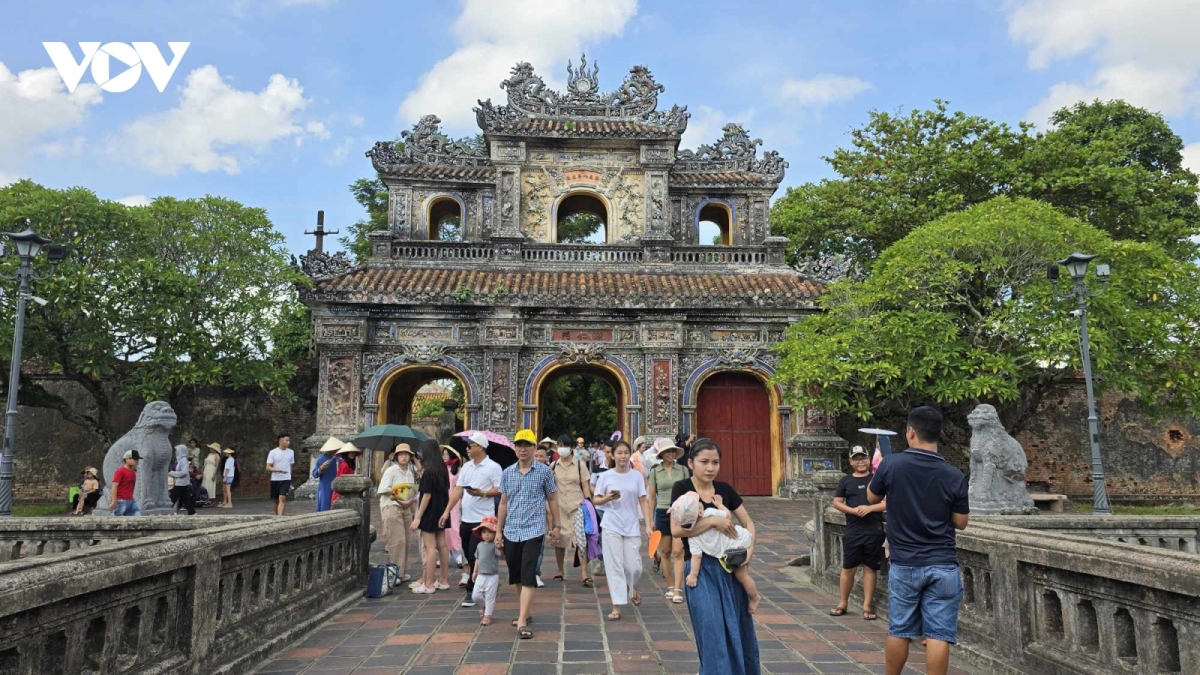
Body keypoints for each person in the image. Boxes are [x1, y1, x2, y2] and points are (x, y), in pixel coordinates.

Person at [867, 406, 969, 675]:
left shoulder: (892, 464)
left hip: (905, 562)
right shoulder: (954, 475)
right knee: (939, 634)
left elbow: (871, 498)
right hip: (943, 562)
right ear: (939, 434)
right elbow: (961, 522)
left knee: (899, 629)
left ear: (910, 432)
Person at [670, 438, 759, 674]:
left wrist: (747, 554)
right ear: (690, 463)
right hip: (699, 570)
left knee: (737, 626)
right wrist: (712, 522)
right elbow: (677, 530)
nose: (710, 468)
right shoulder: (682, 490)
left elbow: (748, 523)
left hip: (729, 567)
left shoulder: (725, 490)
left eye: (715, 462)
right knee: (710, 627)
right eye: (704, 462)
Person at [496, 429, 559, 639]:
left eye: (527, 445)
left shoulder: (544, 472)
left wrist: (556, 525)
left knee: (529, 573)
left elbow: (552, 498)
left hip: (533, 530)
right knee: (516, 575)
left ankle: (522, 620)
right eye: (519, 445)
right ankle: (527, 611)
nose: (522, 449)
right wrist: (498, 530)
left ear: (534, 448)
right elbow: (503, 503)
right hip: (511, 530)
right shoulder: (507, 473)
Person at [671, 490, 761, 613]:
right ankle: (754, 597)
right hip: (738, 542)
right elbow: (727, 515)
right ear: (700, 512)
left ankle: (755, 597)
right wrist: (720, 504)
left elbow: (696, 557)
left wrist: (693, 575)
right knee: (742, 577)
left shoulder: (692, 536)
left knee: (742, 576)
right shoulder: (709, 513)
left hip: (737, 544)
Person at [440, 431, 502, 608]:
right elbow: (458, 491)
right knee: (466, 552)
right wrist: (446, 512)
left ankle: (472, 589)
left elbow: (500, 489)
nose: (467, 449)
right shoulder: (466, 467)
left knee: (477, 554)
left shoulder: (493, 467)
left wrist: (482, 493)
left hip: (483, 520)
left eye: (470, 446)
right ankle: (481, 581)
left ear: (480, 447)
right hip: (466, 518)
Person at [592, 440, 652, 621]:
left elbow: (643, 500)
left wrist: (648, 524)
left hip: (631, 524)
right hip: (611, 524)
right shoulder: (606, 476)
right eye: (619, 453)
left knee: (633, 566)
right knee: (614, 566)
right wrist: (608, 498)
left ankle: (630, 586)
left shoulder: (636, 476)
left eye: (626, 452)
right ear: (612, 455)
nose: (623, 456)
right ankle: (616, 605)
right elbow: (596, 500)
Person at [831, 445, 887, 620]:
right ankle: (842, 602)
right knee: (848, 568)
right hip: (853, 530)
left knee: (870, 568)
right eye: (856, 458)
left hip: (874, 530)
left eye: (863, 457)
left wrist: (869, 508)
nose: (860, 461)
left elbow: (887, 502)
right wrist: (852, 510)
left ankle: (867, 606)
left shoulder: (876, 480)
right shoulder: (846, 481)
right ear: (851, 461)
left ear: (870, 459)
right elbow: (837, 502)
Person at [648, 440, 689, 602]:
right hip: (663, 511)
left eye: (673, 451)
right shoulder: (655, 471)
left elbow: (690, 490)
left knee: (679, 551)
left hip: (680, 511)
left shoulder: (683, 470)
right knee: (665, 551)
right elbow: (651, 497)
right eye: (668, 452)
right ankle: (670, 586)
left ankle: (678, 589)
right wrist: (650, 519)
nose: (671, 454)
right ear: (662, 454)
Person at [551, 433, 594, 587]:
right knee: (559, 540)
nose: (563, 449)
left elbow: (585, 487)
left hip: (578, 507)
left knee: (581, 540)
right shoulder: (553, 465)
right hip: (560, 507)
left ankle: (584, 572)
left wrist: (589, 504)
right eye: (560, 445)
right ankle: (560, 570)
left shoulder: (579, 464)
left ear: (572, 448)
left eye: (566, 446)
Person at [411, 439, 452, 594]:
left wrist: (418, 517)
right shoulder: (442, 468)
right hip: (441, 510)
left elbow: (426, 496)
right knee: (442, 545)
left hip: (430, 512)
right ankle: (443, 580)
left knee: (430, 548)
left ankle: (428, 583)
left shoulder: (428, 471)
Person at [378, 444, 418, 583]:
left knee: (406, 541)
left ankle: (401, 572)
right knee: (397, 541)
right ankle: (393, 573)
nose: (404, 456)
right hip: (392, 506)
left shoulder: (409, 473)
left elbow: (410, 494)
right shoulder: (391, 470)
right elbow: (383, 489)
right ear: (396, 457)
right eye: (401, 454)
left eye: (406, 454)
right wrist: (399, 495)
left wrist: (415, 515)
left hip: (406, 508)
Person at [442, 445, 467, 585]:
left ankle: (458, 554)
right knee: (445, 529)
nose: (444, 456)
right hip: (444, 501)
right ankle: (447, 554)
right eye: (443, 454)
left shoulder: (459, 470)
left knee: (455, 528)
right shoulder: (442, 469)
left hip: (455, 501)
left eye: (447, 454)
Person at [470, 515, 501, 626]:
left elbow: (501, 555)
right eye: (484, 532)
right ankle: (483, 606)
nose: (487, 534)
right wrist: (474, 572)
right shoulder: (479, 545)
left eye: (490, 532)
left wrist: (500, 546)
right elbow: (477, 559)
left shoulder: (494, 546)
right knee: (475, 596)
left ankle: (488, 616)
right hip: (481, 574)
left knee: (490, 596)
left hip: (492, 575)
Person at [311, 436, 343, 513]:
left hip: (337, 485)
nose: (336, 450)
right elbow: (314, 474)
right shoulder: (321, 459)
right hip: (325, 486)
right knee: (325, 506)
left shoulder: (338, 459)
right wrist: (321, 468)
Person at [265, 433, 295, 516]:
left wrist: (290, 476)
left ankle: (280, 517)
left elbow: (291, 465)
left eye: (289, 440)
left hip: (286, 479)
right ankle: (277, 515)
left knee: (282, 498)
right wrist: (277, 470)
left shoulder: (291, 452)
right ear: (281, 441)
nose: (289, 442)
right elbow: (268, 467)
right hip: (275, 479)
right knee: (276, 500)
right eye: (287, 440)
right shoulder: (273, 452)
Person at [109, 450, 141, 516]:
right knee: (116, 520)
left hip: (131, 500)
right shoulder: (120, 471)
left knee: (138, 517)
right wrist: (114, 501)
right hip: (121, 500)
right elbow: (114, 486)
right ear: (127, 459)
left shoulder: (133, 472)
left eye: (137, 459)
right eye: (134, 459)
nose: (136, 461)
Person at [168, 444, 196, 515]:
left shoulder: (183, 460)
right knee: (185, 497)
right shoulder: (179, 460)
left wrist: (172, 473)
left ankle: (167, 510)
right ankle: (191, 511)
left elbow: (184, 472)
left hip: (181, 482)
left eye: (177, 451)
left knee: (173, 497)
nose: (176, 452)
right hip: (181, 482)